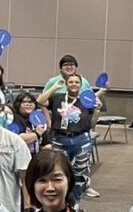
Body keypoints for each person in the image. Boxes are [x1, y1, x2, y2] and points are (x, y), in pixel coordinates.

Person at [37, 73, 97, 201]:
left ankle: (75, 203)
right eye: (71, 82)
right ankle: (62, 202)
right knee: (60, 171)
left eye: (77, 82)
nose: (74, 84)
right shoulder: (58, 98)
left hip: (81, 140)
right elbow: (40, 101)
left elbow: (92, 123)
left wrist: (97, 110)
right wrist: (54, 87)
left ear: (81, 85)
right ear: (66, 84)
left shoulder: (86, 101)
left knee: (80, 174)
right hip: (60, 139)